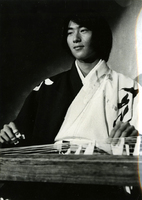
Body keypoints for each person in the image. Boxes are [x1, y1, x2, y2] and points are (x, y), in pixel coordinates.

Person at [0, 11, 141, 200]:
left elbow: (137, 142)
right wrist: (8, 136)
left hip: (102, 183)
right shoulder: (48, 87)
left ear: (99, 34)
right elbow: (22, 134)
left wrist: (133, 135)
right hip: (52, 180)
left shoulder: (128, 88)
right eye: (70, 32)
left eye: (83, 30)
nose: (75, 38)